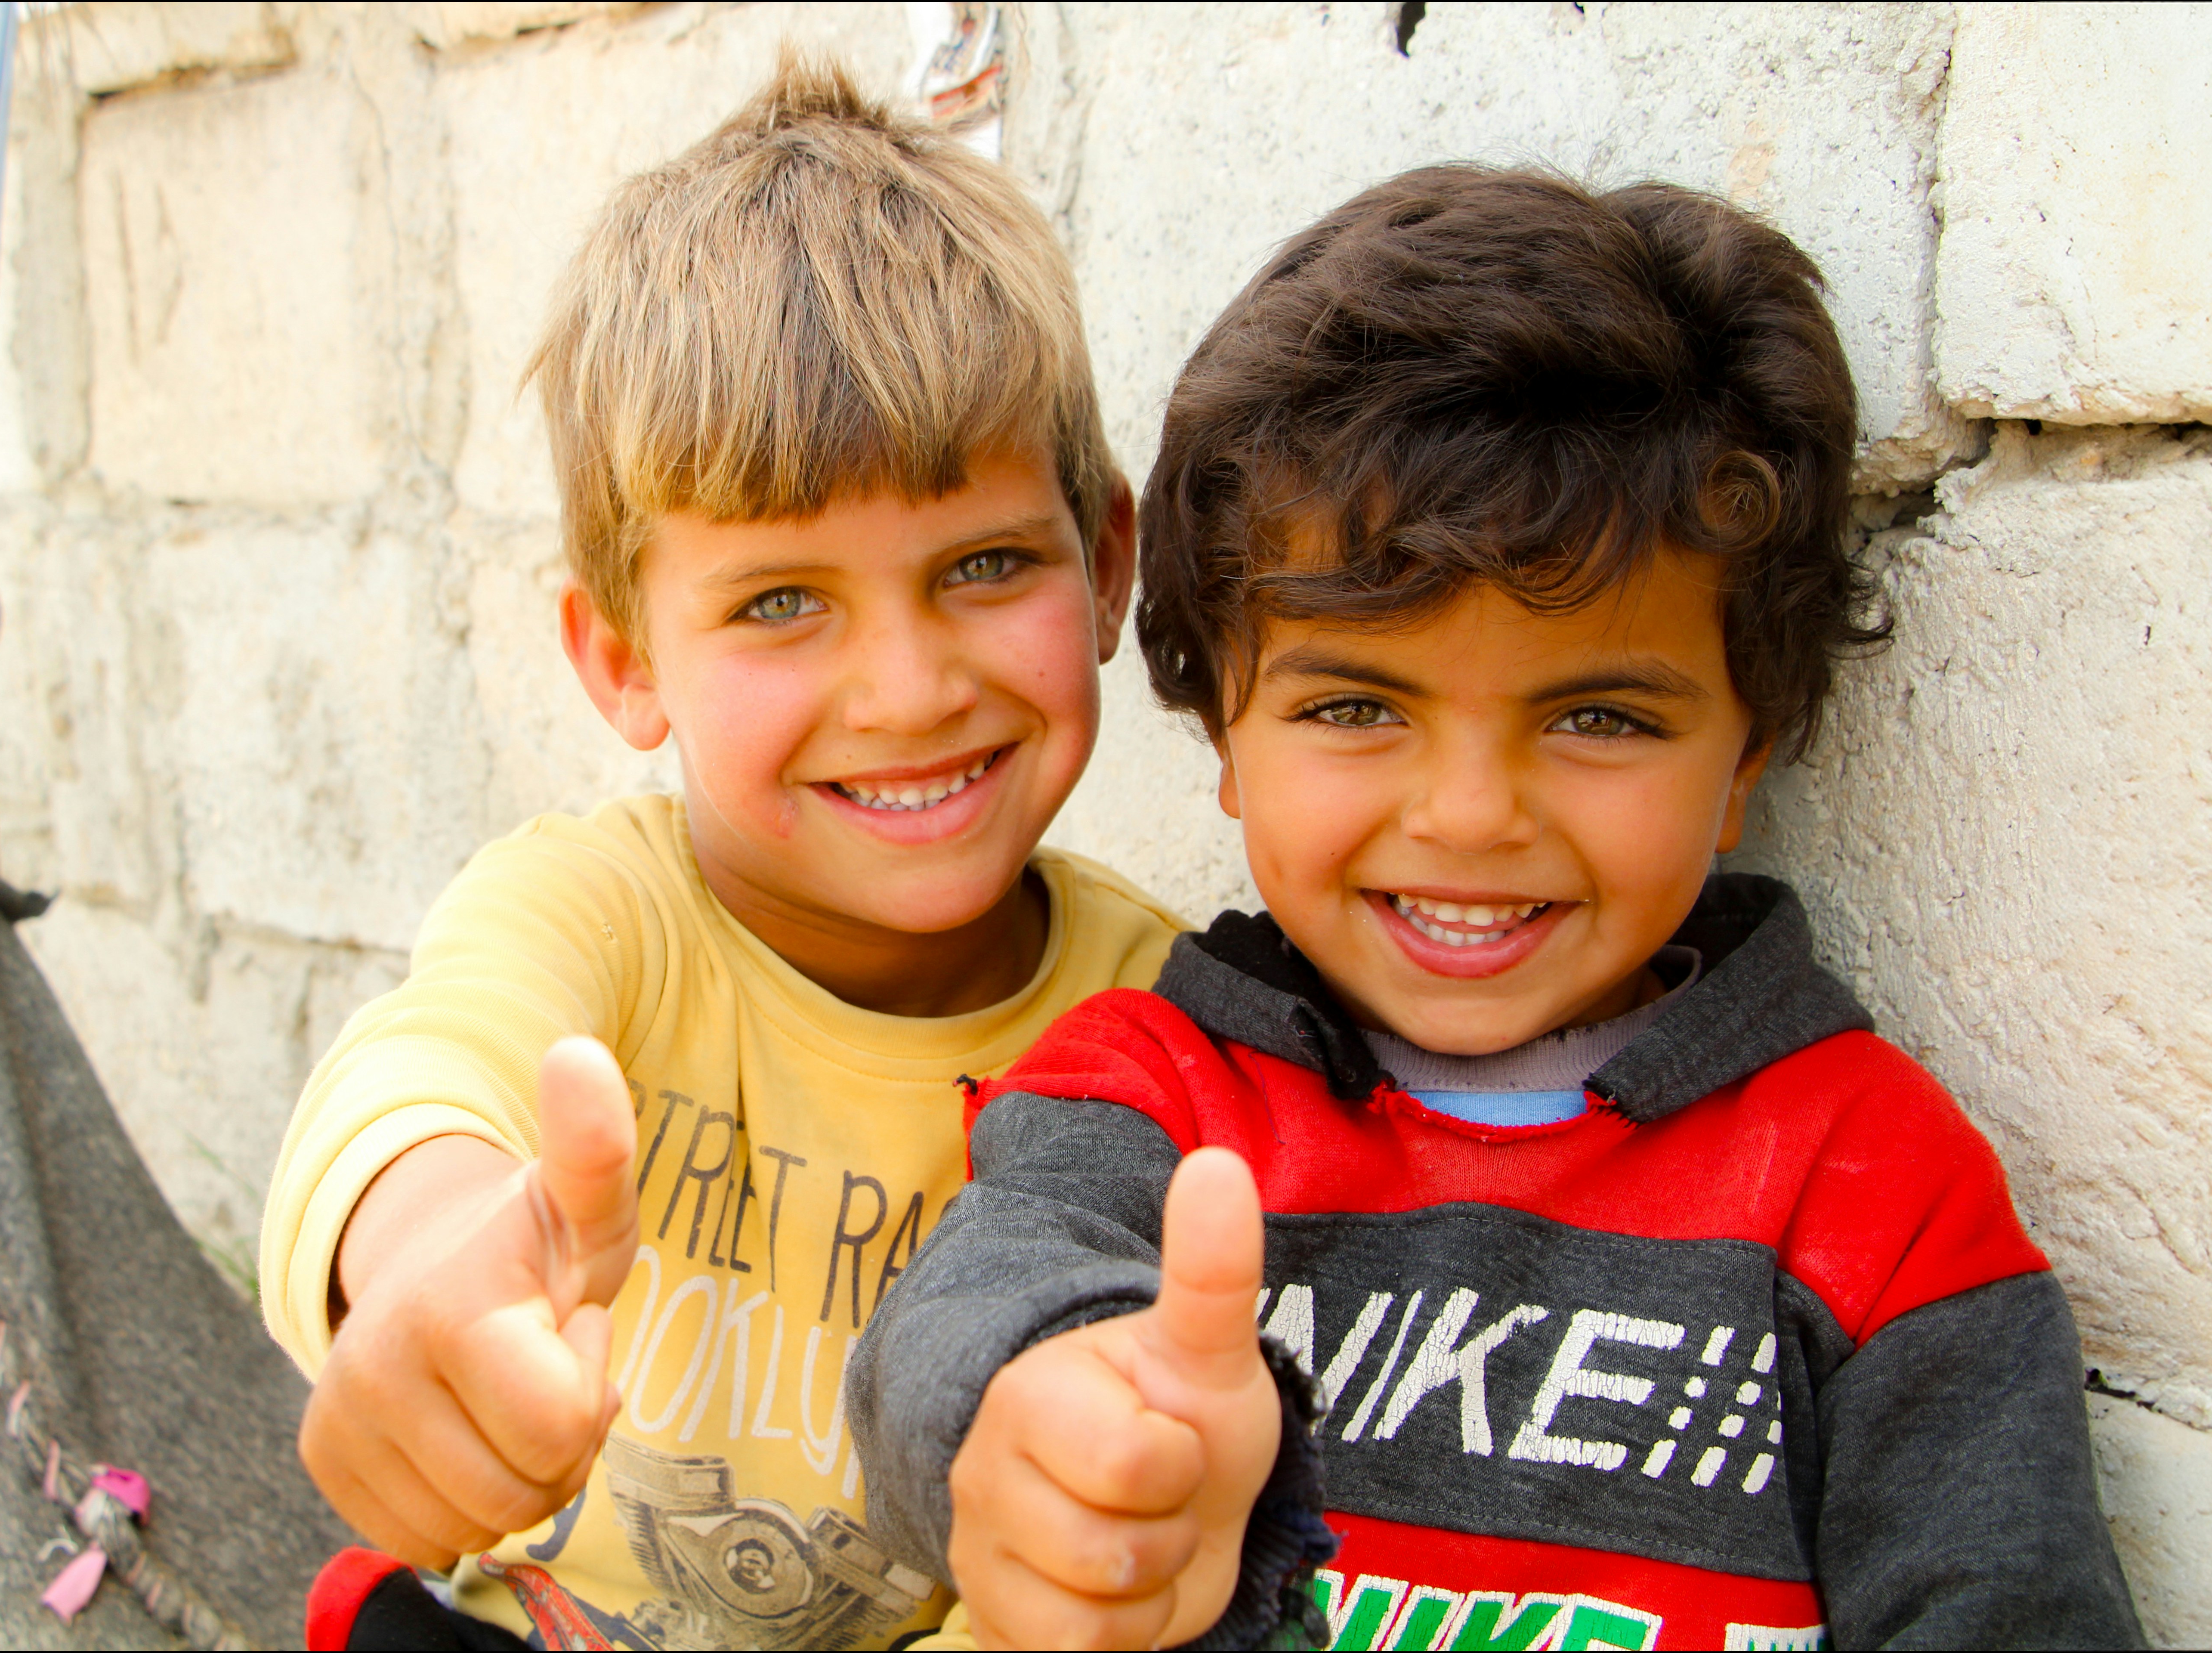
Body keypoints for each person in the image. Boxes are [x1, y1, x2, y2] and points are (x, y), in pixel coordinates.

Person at [849, 167, 2143, 1651]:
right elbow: (968, 1310)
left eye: (1599, 718)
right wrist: (1036, 1420)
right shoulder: (1150, 1096)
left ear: (1748, 757)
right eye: (1355, 707)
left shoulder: (1874, 1186)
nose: (1469, 816)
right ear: (1225, 737)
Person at [261, 56, 1185, 1652]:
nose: (908, 690)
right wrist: (423, 1259)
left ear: (1105, 563)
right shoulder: (598, 912)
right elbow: (428, 1068)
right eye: (781, 602)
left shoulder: (1166, 1023)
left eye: (983, 566)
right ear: (625, 658)